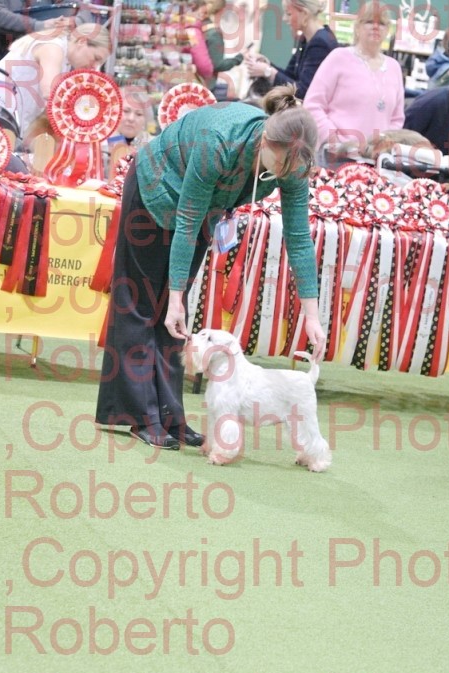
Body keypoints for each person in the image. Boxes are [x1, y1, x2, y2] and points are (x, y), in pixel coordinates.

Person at [96, 86, 326, 449]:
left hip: (203, 207)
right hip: (155, 188)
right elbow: (187, 221)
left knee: (174, 318)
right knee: (142, 303)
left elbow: (298, 237)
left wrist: (312, 315)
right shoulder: (217, 141)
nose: (285, 175)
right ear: (265, 141)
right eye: (280, 166)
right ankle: (139, 416)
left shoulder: (294, 163)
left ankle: (169, 417)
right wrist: (176, 296)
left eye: (292, 170)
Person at [303, 1, 404, 162]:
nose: (376, 27)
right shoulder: (338, 58)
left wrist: (384, 145)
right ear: (357, 27)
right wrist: (335, 140)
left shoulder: (394, 68)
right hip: (336, 157)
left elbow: (397, 118)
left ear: (388, 30)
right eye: (369, 21)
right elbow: (313, 104)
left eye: (382, 23)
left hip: (377, 161)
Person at [0, 23, 111, 138]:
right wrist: (84, 113)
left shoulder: (64, 59)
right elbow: (49, 92)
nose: (95, 67)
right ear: (82, 41)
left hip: (1, 118)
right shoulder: (53, 47)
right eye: (96, 58)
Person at [243, 0, 338, 100]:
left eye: (289, 14)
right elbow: (290, 76)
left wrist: (268, 72)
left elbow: (303, 92)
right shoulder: (306, 40)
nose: (284, 18)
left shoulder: (320, 43)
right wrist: (267, 64)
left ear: (304, 14)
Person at [200, 0, 245, 94]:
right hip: (205, 85)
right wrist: (239, 58)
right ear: (222, 10)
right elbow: (218, 65)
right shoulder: (214, 34)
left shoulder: (200, 24)